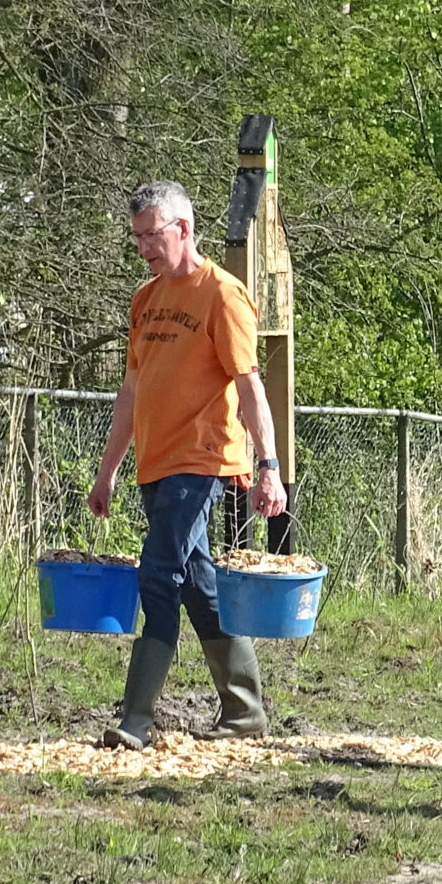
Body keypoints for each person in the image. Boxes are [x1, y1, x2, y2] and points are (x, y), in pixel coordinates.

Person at [87, 181, 289, 749]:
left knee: (159, 573)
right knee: (199, 585)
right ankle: (245, 711)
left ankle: (136, 719)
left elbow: (250, 389)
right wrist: (107, 472)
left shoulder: (222, 295)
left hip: (201, 462)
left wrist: (268, 466)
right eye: (138, 238)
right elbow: (132, 391)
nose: (145, 247)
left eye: (154, 235)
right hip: (154, 465)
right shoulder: (145, 301)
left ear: (184, 230)